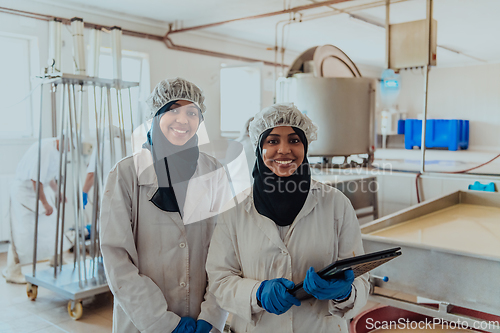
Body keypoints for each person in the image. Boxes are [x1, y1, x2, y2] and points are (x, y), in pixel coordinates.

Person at [206, 103, 369, 332]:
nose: (284, 150)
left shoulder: (335, 204)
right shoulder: (235, 210)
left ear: (305, 146)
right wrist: (258, 294)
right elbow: (219, 281)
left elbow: (361, 279)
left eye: (294, 140)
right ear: (259, 147)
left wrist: (345, 292)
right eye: (272, 141)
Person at [100, 78, 231, 333]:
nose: (183, 120)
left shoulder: (214, 171)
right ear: (156, 114)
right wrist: (162, 323)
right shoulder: (126, 173)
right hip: (143, 321)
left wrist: (212, 316)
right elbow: (117, 258)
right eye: (173, 110)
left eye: (192, 112)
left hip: (203, 318)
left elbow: (226, 253)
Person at [3, 138, 65, 284]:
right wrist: (45, 203)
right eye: (71, 146)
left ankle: (55, 259)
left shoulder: (56, 150)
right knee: (22, 233)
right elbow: (36, 180)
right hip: (24, 192)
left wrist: (57, 193)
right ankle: (12, 271)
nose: (70, 150)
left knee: (53, 225)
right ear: (63, 140)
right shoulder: (46, 149)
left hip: (36, 191)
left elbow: (48, 177)